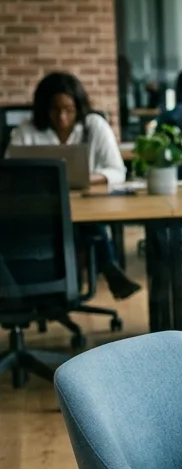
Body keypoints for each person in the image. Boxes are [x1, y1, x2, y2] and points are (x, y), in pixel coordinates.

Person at [8, 72, 140, 299]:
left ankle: (90, 273)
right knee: (77, 226)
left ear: (78, 107)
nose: (61, 117)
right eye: (54, 109)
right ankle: (108, 267)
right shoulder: (25, 131)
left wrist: (86, 178)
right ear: (43, 109)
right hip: (41, 208)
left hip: (87, 204)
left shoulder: (94, 126)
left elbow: (117, 170)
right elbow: (9, 173)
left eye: (68, 109)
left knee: (86, 223)